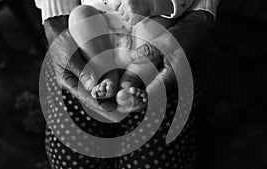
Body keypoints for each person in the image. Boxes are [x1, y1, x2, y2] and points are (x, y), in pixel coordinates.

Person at [36, 0, 220, 168]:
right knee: (80, 16)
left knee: (157, 27)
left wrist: (154, 4)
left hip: (146, 31)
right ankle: (106, 76)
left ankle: (132, 80)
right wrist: (56, 15)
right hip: (99, 31)